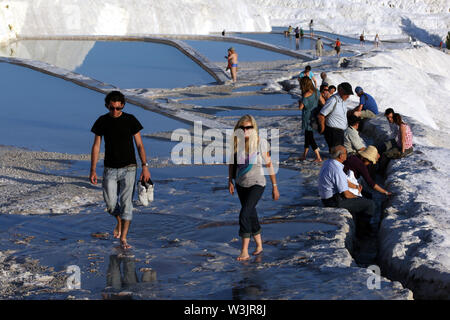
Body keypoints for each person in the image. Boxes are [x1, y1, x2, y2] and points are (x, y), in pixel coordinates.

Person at [90, 91, 151, 250]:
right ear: (107, 106)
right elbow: (96, 146)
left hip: (129, 168)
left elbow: (140, 145)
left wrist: (145, 166)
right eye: (112, 108)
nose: (115, 111)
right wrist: (93, 169)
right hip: (109, 168)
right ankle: (119, 220)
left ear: (122, 105)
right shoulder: (102, 121)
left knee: (126, 204)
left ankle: (123, 238)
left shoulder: (130, 120)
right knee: (110, 204)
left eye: (118, 108)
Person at [228, 115, 279, 261]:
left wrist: (275, 186)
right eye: (242, 128)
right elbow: (231, 164)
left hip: (257, 183)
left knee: (244, 214)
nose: (245, 131)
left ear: (253, 128)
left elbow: (269, 164)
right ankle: (259, 245)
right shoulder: (236, 142)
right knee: (251, 214)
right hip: (240, 184)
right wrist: (230, 181)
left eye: (248, 128)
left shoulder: (260, 142)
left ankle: (244, 250)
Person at [318, 145, 376, 238]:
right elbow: (347, 194)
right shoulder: (337, 169)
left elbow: (343, 180)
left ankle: (362, 227)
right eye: (345, 153)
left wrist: (355, 186)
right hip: (334, 201)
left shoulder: (329, 163)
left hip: (328, 198)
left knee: (365, 197)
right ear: (341, 156)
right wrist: (357, 197)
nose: (347, 155)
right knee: (370, 204)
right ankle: (362, 233)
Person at [318, 82, 354, 152]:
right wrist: (322, 129)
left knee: (338, 153)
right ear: (340, 91)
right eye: (346, 94)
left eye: (349, 94)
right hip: (333, 132)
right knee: (337, 154)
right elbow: (321, 115)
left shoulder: (343, 101)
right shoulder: (333, 100)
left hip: (340, 132)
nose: (348, 96)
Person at [298, 77, 323, 162]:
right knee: (307, 136)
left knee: (310, 137)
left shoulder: (306, 94)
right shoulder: (317, 92)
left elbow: (300, 108)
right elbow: (323, 102)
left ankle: (318, 157)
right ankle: (304, 155)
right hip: (314, 116)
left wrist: (300, 102)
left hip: (307, 116)